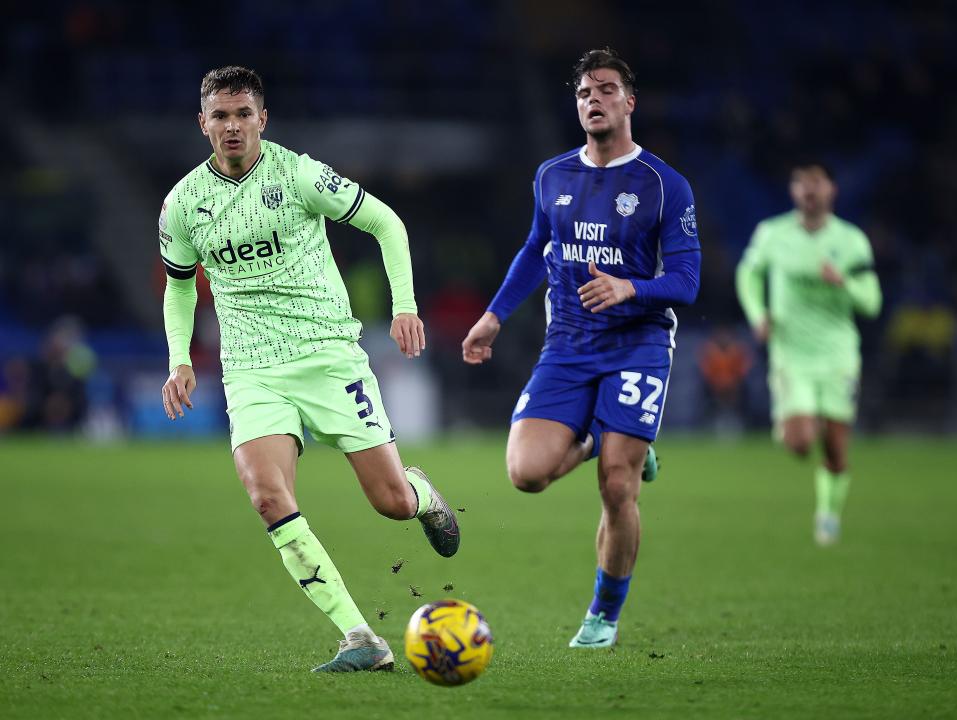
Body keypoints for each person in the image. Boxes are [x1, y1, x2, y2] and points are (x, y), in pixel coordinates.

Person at [158, 66, 460, 673]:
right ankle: (359, 638)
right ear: (203, 124)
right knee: (268, 497)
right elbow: (180, 286)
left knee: (390, 502)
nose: (233, 126)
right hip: (251, 371)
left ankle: (422, 494)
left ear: (262, 119)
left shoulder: (298, 174)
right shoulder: (183, 203)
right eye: (220, 116)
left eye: (244, 114)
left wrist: (404, 306)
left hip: (327, 357)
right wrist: (180, 359)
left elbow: (386, 222)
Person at [461, 48, 701, 648]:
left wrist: (631, 288)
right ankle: (602, 433)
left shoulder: (663, 185)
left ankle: (603, 614)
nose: (593, 101)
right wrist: (493, 316)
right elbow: (532, 249)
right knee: (526, 474)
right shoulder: (552, 175)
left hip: (638, 344)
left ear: (629, 102)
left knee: (618, 485)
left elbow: (688, 282)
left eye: (606, 90)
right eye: (583, 94)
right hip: (567, 344)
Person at [735, 161, 882, 545]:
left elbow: (872, 302)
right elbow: (748, 274)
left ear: (832, 189)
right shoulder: (773, 234)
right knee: (800, 443)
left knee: (835, 450)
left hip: (838, 355)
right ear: (792, 191)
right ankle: (796, 420)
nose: (808, 190)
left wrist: (844, 283)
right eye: (801, 183)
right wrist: (758, 313)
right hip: (791, 354)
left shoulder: (851, 241)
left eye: (816, 182)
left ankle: (828, 516)